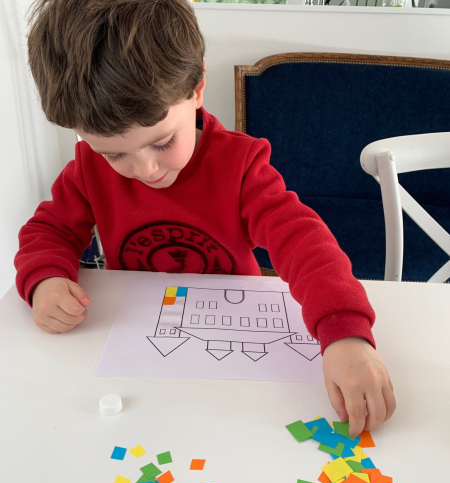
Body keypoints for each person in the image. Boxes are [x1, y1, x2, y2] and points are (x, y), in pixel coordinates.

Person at [15, 0, 395, 436]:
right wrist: (44, 278)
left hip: (234, 350)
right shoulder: (87, 167)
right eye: (115, 154)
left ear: (196, 89)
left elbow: (302, 240)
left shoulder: (241, 165)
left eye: (162, 143)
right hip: (139, 350)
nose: (145, 169)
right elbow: (50, 229)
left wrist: (344, 331)